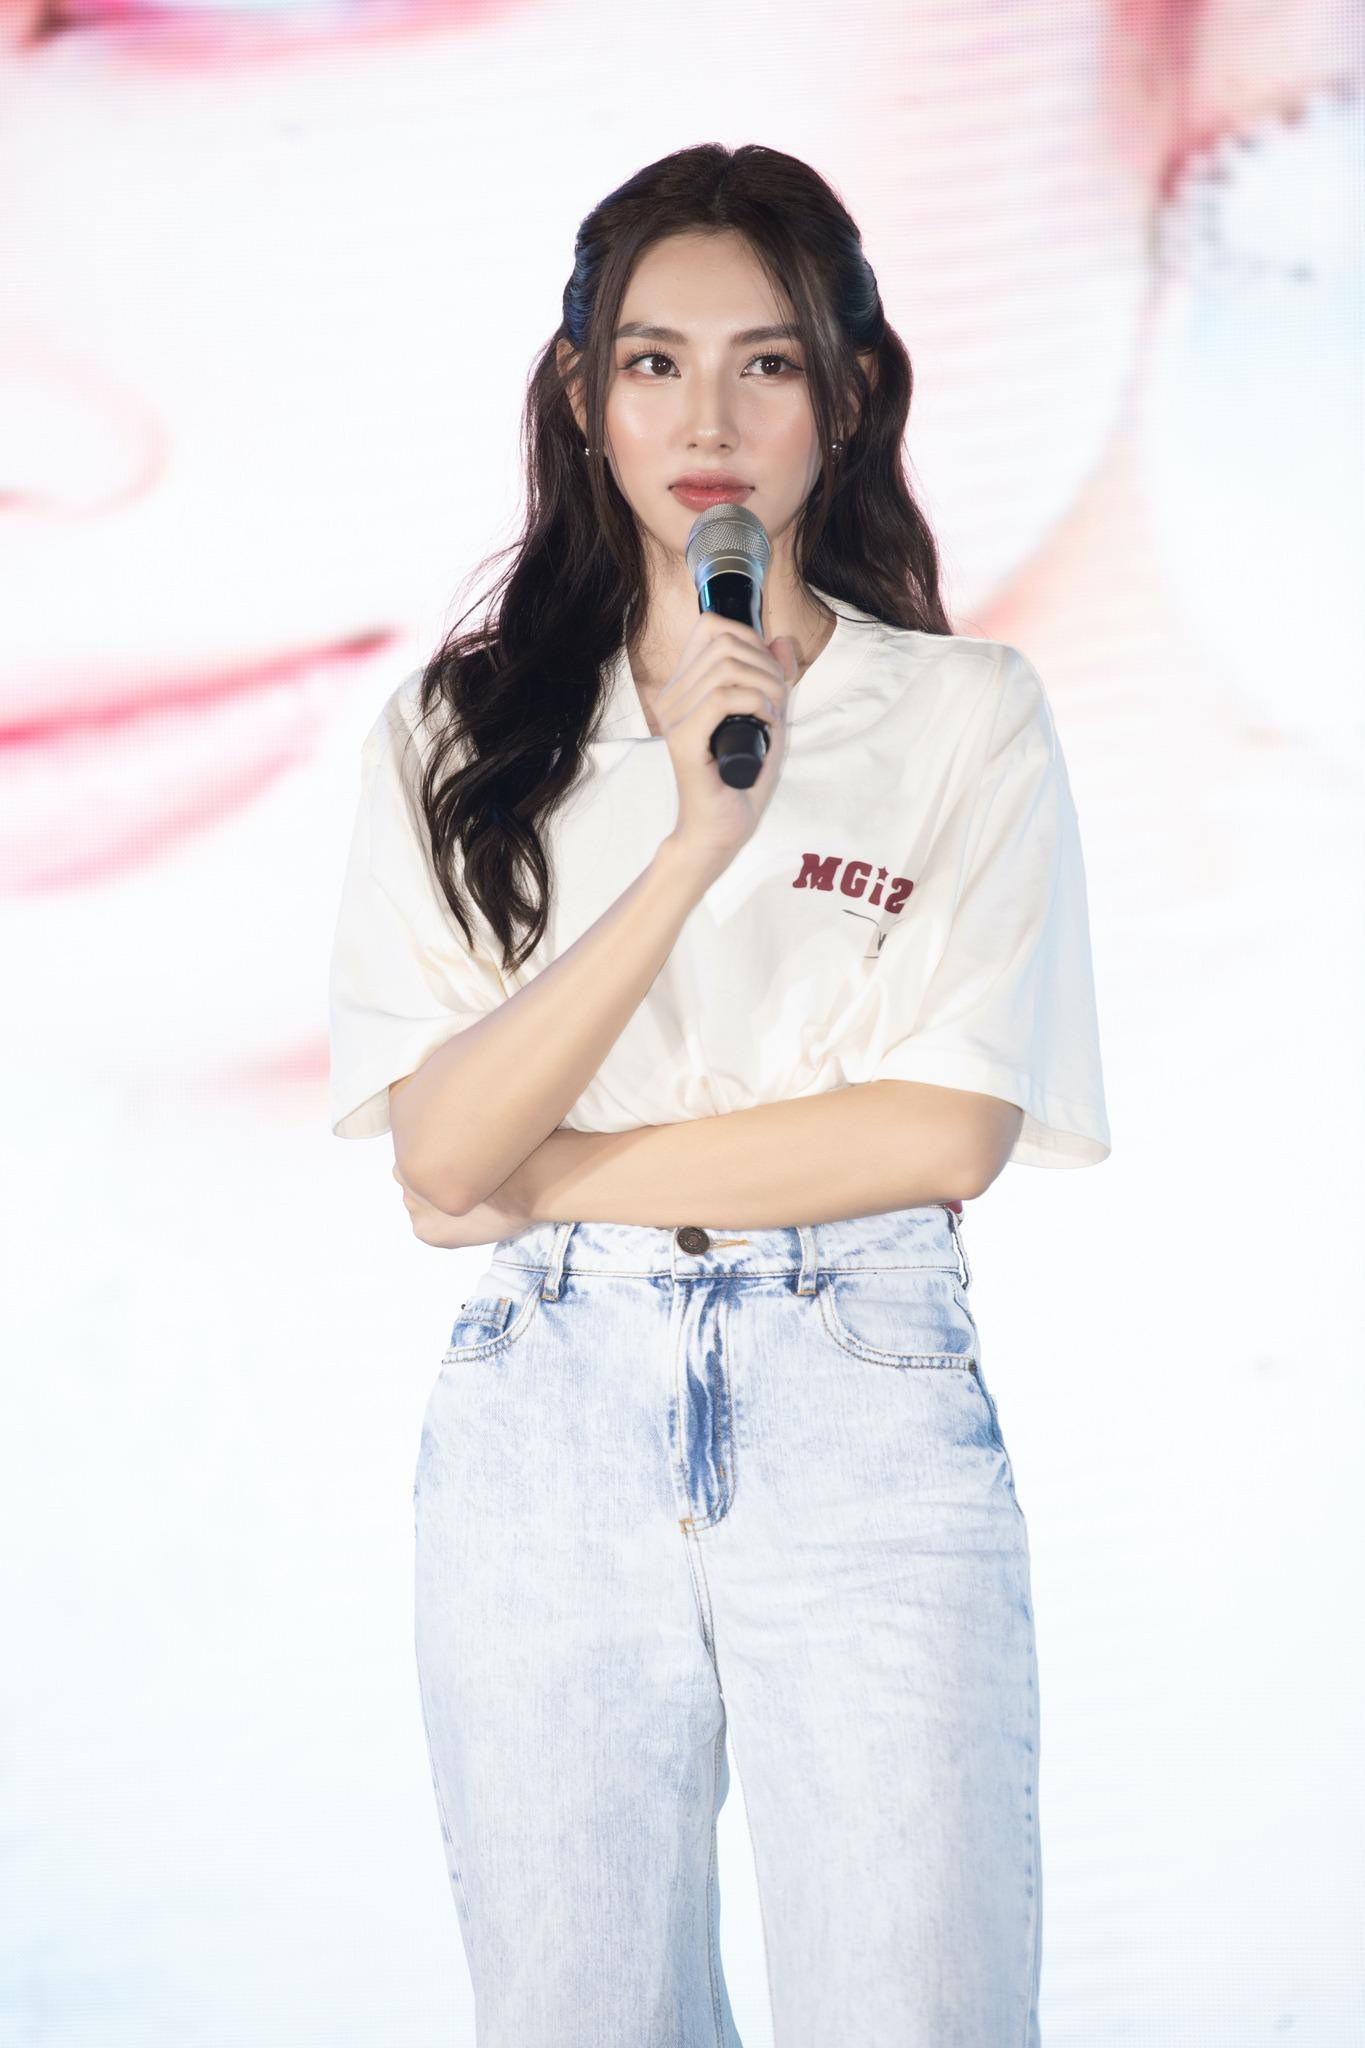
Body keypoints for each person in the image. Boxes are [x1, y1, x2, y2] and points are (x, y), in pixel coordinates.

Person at [328, 143, 1110, 2048]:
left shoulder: (963, 715)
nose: (706, 422)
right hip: (541, 1424)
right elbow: (434, 1157)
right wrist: (693, 842)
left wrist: (530, 1167)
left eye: (765, 363)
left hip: (863, 1395)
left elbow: (940, 1135)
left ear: (847, 395)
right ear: (580, 395)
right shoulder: (458, 732)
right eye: (652, 363)